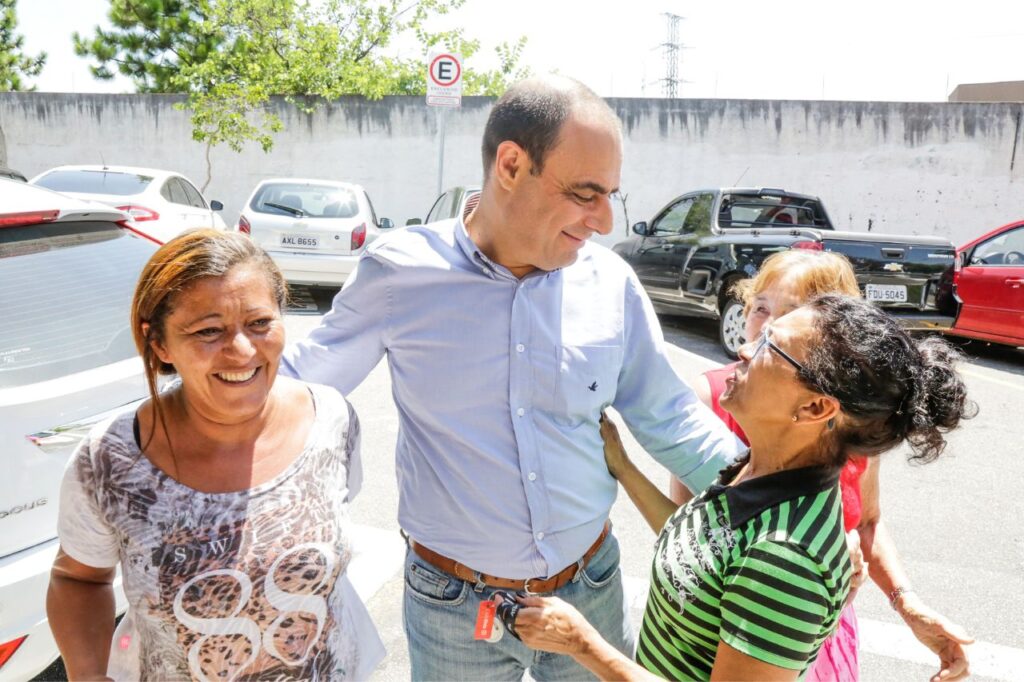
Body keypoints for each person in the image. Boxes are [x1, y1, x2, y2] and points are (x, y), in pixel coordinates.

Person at [279, 75, 743, 679]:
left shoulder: (610, 282)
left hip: (588, 590)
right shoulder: (399, 276)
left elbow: (667, 412)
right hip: (452, 606)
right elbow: (297, 390)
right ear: (511, 164)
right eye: (586, 193)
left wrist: (777, 488)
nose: (604, 221)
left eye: (611, 196)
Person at [511, 294, 975, 681]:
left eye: (772, 346)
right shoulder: (759, 470)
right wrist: (625, 467)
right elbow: (701, 550)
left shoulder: (786, 557)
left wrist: (581, 643)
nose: (746, 348)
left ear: (815, 408)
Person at [47, 230, 384, 681]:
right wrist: (88, 674)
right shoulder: (113, 459)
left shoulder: (331, 421)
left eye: (260, 323)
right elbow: (78, 579)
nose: (242, 350)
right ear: (160, 344)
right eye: (209, 331)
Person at [670, 250, 975, 681]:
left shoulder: (853, 427)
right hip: (719, 626)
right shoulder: (715, 399)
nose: (755, 332)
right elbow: (683, 528)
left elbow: (867, 522)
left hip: (816, 629)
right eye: (760, 308)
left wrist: (906, 602)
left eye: (790, 316)